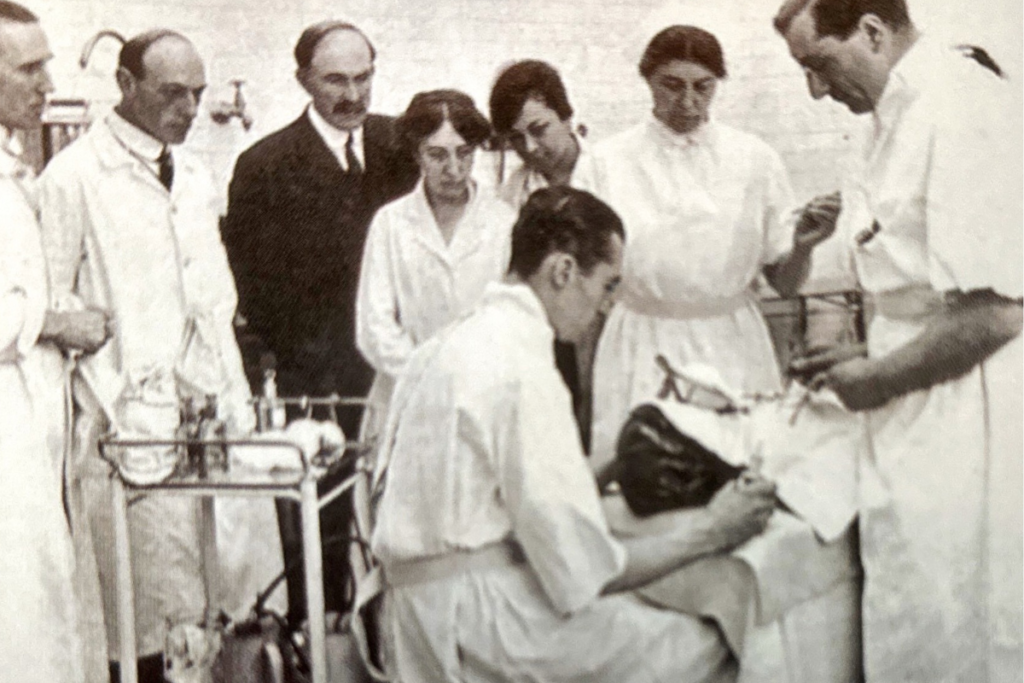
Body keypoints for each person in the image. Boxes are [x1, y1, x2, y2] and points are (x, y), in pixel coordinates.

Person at [370, 186, 778, 683]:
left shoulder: (448, 344)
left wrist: (608, 457)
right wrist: (717, 526)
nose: (607, 307)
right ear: (563, 271)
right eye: (608, 286)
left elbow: (494, 500)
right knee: (707, 644)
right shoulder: (522, 366)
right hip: (482, 623)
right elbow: (581, 571)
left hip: (414, 615)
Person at [774, 1, 1023, 681]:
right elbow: (916, 286)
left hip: (970, 413)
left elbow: (999, 313)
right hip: (916, 401)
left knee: (960, 623)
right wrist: (865, 356)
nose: (816, 91)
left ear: (874, 33)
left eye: (819, 65)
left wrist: (879, 377)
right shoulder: (888, 117)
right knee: (914, 619)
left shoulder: (960, 104)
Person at [37, 30, 282, 683]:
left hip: (211, 414)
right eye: (173, 93)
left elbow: (207, 295)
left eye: (197, 94)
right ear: (124, 84)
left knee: (228, 605)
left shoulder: (194, 172)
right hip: (129, 430)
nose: (190, 108)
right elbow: (58, 311)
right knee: (151, 624)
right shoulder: (73, 177)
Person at [222, 22, 419, 623]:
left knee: (401, 516)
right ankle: (323, 644)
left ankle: (393, 645)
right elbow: (256, 290)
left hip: (395, 370)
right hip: (319, 378)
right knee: (323, 529)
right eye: (336, 79)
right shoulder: (265, 166)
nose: (353, 93)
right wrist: (304, 367)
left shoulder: (396, 146)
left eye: (364, 77)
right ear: (302, 78)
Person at [576, 25, 840, 471]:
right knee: (644, 480)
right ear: (648, 81)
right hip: (642, 344)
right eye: (671, 86)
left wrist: (803, 247)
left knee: (740, 470)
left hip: (732, 346)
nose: (688, 102)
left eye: (703, 87)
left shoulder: (754, 159)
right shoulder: (605, 163)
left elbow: (786, 284)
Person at [0, 3, 105, 680]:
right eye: (28, 66)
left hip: (30, 421)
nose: (47, 82)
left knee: (39, 604)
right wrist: (53, 321)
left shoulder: (12, 173)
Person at [356, 89, 515, 439]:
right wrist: (427, 376)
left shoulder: (503, 222)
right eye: (437, 155)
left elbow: (512, 319)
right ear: (417, 154)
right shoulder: (391, 223)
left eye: (464, 154)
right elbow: (373, 325)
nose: (454, 170)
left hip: (483, 395)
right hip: (407, 396)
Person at [488, 59, 597, 447]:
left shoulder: (610, 171)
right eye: (516, 140)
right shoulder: (511, 196)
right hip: (548, 342)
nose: (530, 148)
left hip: (612, 332)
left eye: (538, 130)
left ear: (566, 117)